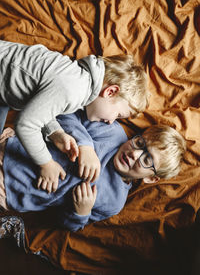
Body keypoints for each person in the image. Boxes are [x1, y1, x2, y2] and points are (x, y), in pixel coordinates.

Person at [0, 40, 149, 193]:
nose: (111, 122)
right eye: (118, 115)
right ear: (110, 92)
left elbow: (40, 107)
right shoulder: (73, 89)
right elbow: (25, 125)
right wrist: (46, 163)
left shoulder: (80, 83)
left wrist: (55, 133)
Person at [0, 109, 186, 232]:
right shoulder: (112, 133)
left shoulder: (114, 202)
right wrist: (86, 145)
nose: (134, 154)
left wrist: (80, 212)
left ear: (151, 179)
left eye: (147, 159)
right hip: (12, 148)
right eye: (139, 143)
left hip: (12, 192)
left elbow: (64, 224)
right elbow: (67, 113)